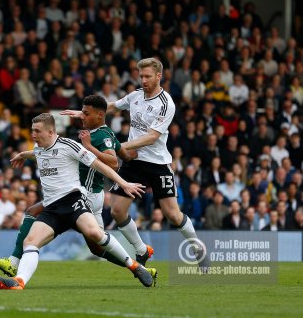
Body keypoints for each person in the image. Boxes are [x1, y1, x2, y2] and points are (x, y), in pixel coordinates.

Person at [61, 58, 209, 271]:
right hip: (134, 162)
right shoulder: (136, 95)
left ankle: (197, 248)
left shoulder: (166, 104)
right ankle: (141, 250)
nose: (144, 80)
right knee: (117, 211)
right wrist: (85, 113)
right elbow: (111, 106)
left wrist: (120, 146)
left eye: (148, 76)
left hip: (158, 163)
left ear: (159, 76)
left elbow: (152, 137)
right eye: (141, 76)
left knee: (173, 215)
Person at [0, 95, 156, 279]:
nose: (81, 117)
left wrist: (90, 148)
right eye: (81, 113)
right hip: (73, 193)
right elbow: (122, 154)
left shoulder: (101, 135)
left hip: (85, 194)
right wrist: (23, 154)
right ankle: (139, 266)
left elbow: (113, 163)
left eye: (85, 114)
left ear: (99, 115)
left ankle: (13, 262)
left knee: (37, 213)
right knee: (97, 248)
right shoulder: (97, 134)